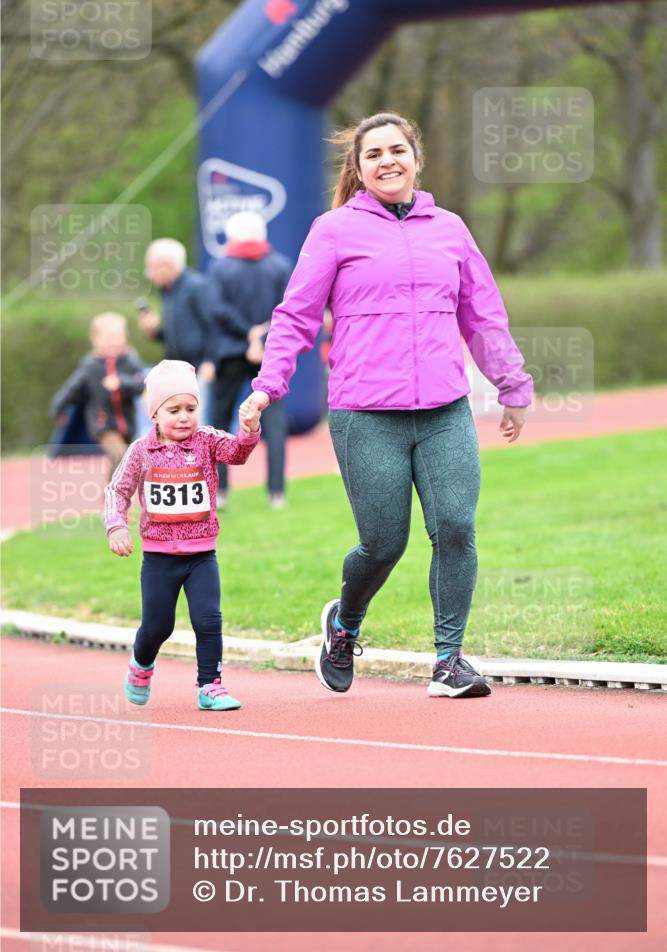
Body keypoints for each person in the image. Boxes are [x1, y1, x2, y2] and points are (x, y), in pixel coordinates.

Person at [241, 112, 533, 699]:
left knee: (454, 526)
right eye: (373, 154)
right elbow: (296, 316)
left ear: (416, 159)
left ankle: (449, 660)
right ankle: (344, 624)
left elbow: (483, 314)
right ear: (359, 168)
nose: (387, 161)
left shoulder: (449, 228)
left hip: (444, 409)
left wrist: (512, 384)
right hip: (365, 413)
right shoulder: (333, 231)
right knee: (384, 542)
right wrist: (267, 385)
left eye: (397, 150)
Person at [104, 359, 261, 711]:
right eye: (173, 410)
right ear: (155, 414)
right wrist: (116, 526)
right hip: (159, 557)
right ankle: (141, 663)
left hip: (202, 554)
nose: (184, 417)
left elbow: (237, 453)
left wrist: (249, 430)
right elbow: (118, 489)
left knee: (208, 619)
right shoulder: (141, 451)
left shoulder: (205, 440)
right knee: (158, 626)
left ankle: (210, 686)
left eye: (191, 408)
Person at [200, 211, 292, 510]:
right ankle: (276, 494)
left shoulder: (220, 267)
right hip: (270, 355)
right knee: (275, 422)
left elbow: (215, 309)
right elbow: (289, 308)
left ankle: (220, 492)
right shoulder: (279, 265)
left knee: (220, 423)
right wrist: (261, 337)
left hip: (229, 352)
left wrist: (246, 333)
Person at [50, 312, 146, 481]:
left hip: (127, 422)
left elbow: (141, 384)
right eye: (108, 337)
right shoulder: (90, 367)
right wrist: (58, 409)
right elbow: (71, 389)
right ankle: (115, 497)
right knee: (120, 454)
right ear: (95, 339)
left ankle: (109, 495)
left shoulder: (131, 361)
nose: (114, 341)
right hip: (102, 422)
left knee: (120, 458)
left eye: (118, 336)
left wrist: (121, 382)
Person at [138, 239, 211, 369]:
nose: (149, 274)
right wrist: (154, 331)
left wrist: (210, 361)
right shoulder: (166, 290)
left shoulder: (196, 286)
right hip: (177, 367)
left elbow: (214, 326)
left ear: (168, 265)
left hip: (200, 367)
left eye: (152, 267)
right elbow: (175, 335)